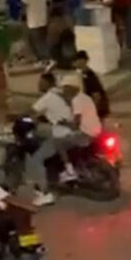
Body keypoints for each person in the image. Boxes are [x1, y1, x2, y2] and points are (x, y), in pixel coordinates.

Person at [27, 73, 80, 205]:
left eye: (41, 82)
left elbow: (31, 111)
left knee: (36, 159)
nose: (38, 85)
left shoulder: (48, 97)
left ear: (47, 83)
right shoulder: (61, 94)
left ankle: (46, 193)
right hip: (73, 131)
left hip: (61, 134)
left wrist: (19, 117)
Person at [21, 0, 51, 64]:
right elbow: (49, 3)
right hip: (43, 19)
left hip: (32, 20)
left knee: (34, 41)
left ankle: (40, 59)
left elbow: (24, 5)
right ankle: (45, 58)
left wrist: (23, 16)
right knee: (42, 40)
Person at [74, 50, 110, 120]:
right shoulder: (84, 74)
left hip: (98, 107)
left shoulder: (90, 75)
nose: (74, 63)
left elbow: (96, 95)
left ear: (82, 61)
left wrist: (93, 110)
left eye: (76, 61)